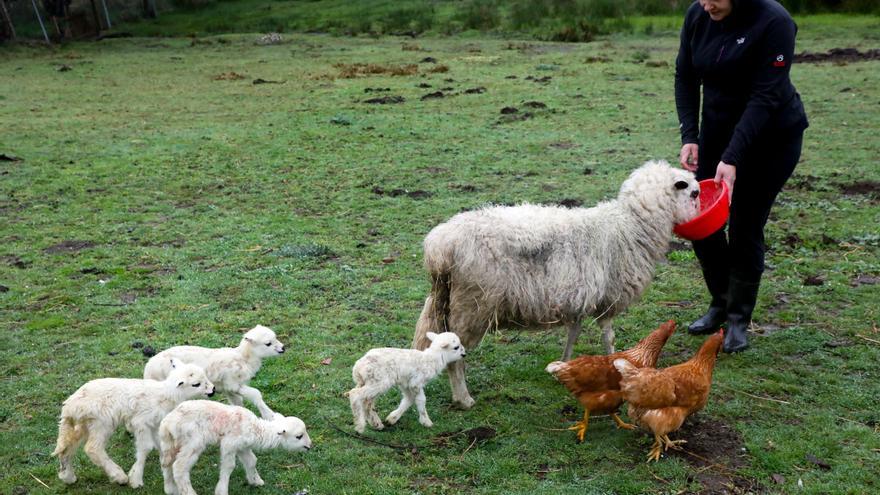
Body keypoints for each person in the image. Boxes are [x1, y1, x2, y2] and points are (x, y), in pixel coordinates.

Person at [675, 0, 808, 353]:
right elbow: (685, 75)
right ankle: (720, 302)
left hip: (771, 140)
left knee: (746, 224)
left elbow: (766, 95)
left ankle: (738, 319)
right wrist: (690, 135)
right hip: (716, 135)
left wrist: (733, 157)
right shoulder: (698, 15)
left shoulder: (775, 22)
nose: (706, 4)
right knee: (702, 222)